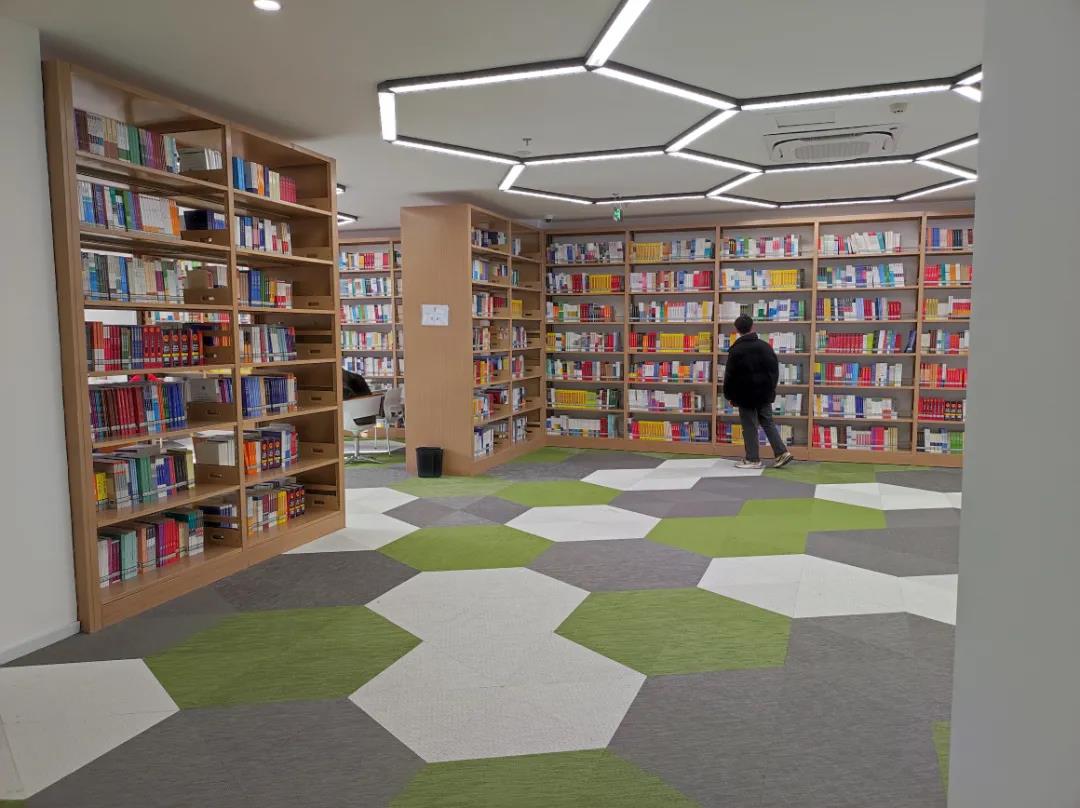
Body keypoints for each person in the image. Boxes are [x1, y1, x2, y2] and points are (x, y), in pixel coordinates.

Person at [722, 314, 794, 470]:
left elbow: (730, 376)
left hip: (745, 395)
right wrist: (770, 389)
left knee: (749, 426)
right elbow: (774, 371)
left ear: (737, 330)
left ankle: (753, 459)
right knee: (767, 422)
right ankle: (782, 452)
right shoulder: (765, 346)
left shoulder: (736, 350)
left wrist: (729, 395)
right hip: (764, 394)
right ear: (752, 327)